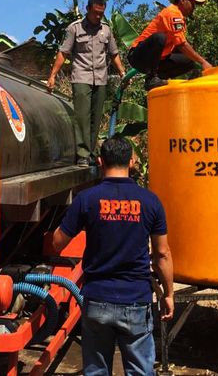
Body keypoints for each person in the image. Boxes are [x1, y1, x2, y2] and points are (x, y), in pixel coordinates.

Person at [53, 136, 174, 376]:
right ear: (131, 162)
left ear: (100, 161)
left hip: (97, 299)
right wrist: (169, 294)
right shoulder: (150, 201)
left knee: (97, 371)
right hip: (136, 299)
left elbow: (58, 242)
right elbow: (162, 254)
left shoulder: (86, 199)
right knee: (140, 371)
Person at [48, 0, 125, 166]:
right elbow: (63, 52)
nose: (99, 17)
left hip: (101, 79)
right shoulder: (74, 28)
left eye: (101, 14)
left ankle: (91, 153)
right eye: (96, 13)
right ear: (88, 9)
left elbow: (114, 53)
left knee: (96, 118)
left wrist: (122, 72)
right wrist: (53, 75)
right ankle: (82, 153)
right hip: (81, 77)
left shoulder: (106, 30)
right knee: (82, 116)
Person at [128, 0, 212, 90]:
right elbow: (181, 44)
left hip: (158, 60)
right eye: (193, 3)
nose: (194, 7)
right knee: (160, 38)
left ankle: (160, 79)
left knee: (189, 61)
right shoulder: (172, 13)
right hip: (138, 56)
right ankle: (151, 79)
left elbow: (181, 48)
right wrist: (203, 62)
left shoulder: (179, 18)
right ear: (183, 0)